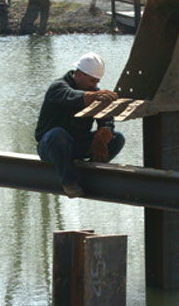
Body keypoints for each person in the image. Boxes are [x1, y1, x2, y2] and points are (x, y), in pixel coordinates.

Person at [35, 52, 126, 198]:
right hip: (51, 148)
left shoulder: (94, 93)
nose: (94, 85)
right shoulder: (58, 87)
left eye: (97, 82)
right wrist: (92, 97)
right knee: (57, 134)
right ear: (79, 74)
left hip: (77, 146)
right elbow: (71, 97)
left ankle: (92, 173)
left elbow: (106, 119)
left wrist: (104, 133)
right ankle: (69, 182)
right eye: (92, 81)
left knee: (117, 138)